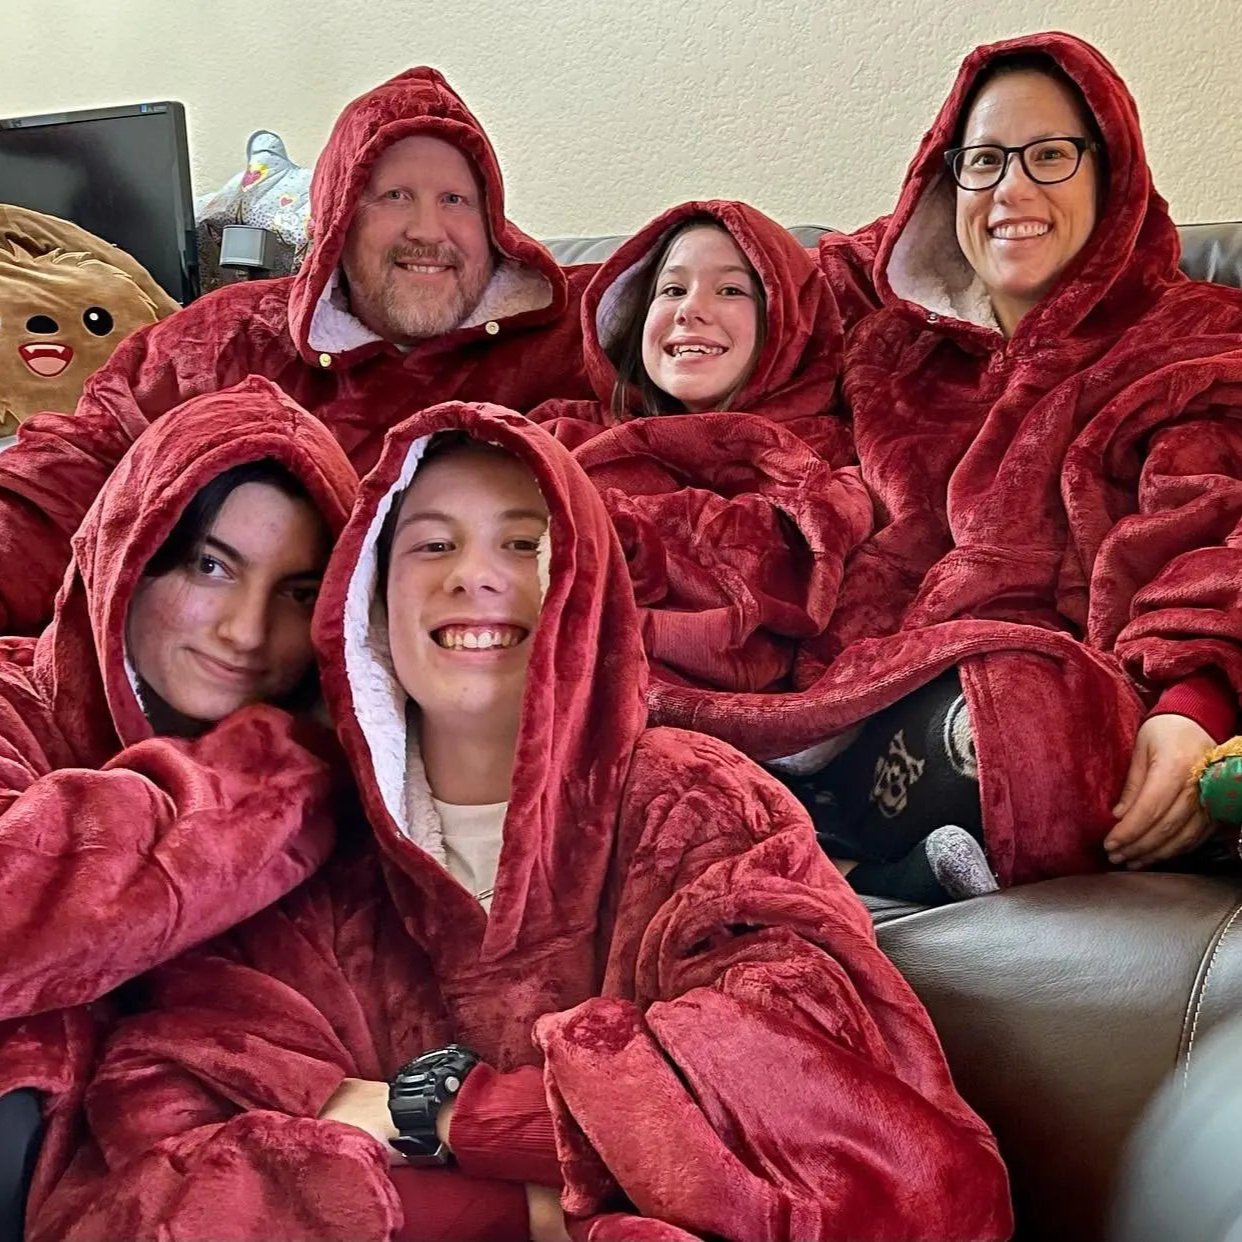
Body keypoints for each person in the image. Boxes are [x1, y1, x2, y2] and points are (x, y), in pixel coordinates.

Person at [31, 403, 1014, 1242]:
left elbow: (839, 1109)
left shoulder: (696, 803)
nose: (476, 574)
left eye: (522, 540)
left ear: (581, 584)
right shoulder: (300, 872)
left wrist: (442, 1115)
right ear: (364, 609)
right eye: (431, 544)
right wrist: (543, 1211)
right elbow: (170, 1152)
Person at [649, 32, 1242, 905]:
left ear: (1109, 173)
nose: (1012, 190)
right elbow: (697, 296)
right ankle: (843, 841)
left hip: (1059, 689)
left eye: (1049, 156)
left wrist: (1196, 703)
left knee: (1020, 727)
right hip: (851, 677)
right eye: (985, 160)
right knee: (632, 700)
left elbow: (1218, 533)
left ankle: (815, 829)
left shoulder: (1192, 339)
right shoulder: (883, 331)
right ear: (946, 178)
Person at [0, 66, 592, 635]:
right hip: (221, 688)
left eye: (456, 200)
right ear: (339, 219)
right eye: (394, 196)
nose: (428, 230)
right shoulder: (223, 338)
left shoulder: (582, 331)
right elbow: (73, 468)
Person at [0, 375, 357, 1223]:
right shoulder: (13, 704)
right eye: (210, 566)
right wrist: (283, 764)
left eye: (298, 594)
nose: (244, 631)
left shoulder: (371, 781)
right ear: (129, 553)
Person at [530, 199, 872, 696]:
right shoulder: (560, 432)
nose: (690, 309)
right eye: (671, 289)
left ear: (786, 323)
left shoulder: (823, 464)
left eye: (731, 289)